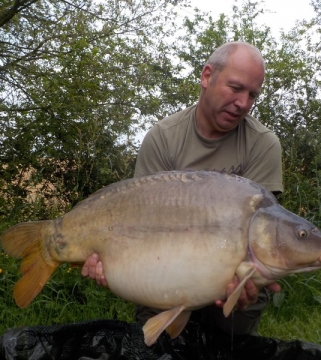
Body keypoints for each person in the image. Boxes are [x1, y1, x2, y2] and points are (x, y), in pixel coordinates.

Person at [82, 41, 282, 336]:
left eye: (252, 94)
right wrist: (111, 262)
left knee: (231, 333)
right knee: (162, 346)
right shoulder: (163, 138)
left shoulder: (262, 144)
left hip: (231, 280)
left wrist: (249, 277)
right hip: (164, 266)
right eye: (236, 88)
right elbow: (135, 219)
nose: (243, 102)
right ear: (206, 76)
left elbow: (265, 234)